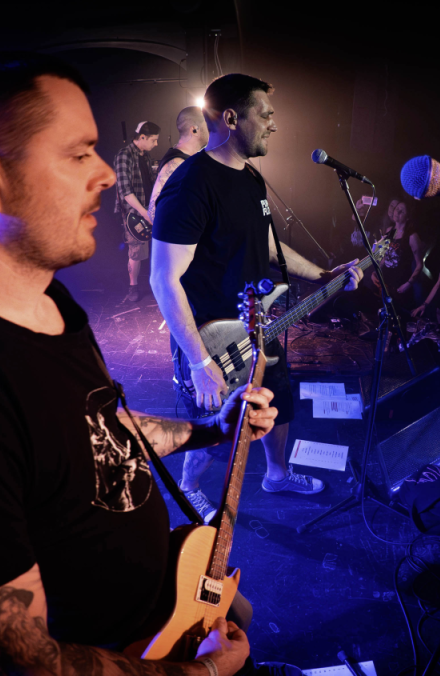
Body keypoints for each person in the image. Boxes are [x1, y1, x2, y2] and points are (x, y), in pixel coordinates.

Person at [0, 52, 281, 676]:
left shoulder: (48, 300)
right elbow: (32, 663)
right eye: (78, 154)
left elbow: (101, 433)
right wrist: (201, 672)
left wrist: (212, 429)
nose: (107, 174)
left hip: (165, 605)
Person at [150, 73, 363, 521]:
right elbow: (163, 279)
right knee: (216, 424)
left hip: (258, 324)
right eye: (265, 115)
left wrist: (324, 275)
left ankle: (277, 475)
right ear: (231, 118)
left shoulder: (251, 180)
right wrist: (200, 363)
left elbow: (265, 244)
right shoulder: (191, 185)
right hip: (212, 336)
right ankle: (188, 487)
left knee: (277, 402)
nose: (274, 124)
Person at [113, 120, 161, 302]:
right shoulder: (124, 156)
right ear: (142, 137)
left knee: (158, 248)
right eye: (153, 140)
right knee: (136, 251)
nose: (156, 144)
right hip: (134, 213)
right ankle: (133, 287)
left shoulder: (146, 156)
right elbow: (125, 191)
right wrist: (143, 212)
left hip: (150, 208)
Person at [147, 107, 208, 226]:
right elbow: (153, 212)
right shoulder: (177, 162)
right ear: (194, 129)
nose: (212, 128)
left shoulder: (188, 160)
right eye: (207, 124)